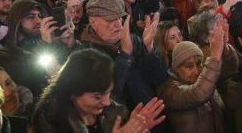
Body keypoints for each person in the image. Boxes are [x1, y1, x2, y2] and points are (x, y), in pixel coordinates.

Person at [31, 49, 165, 133]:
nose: (107, 102)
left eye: (109, 93)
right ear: (72, 91)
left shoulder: (111, 112)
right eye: (97, 97)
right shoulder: (50, 118)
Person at [80, 0, 167, 112]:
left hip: (152, 115)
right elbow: (105, 100)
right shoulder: (86, 56)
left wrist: (149, 48)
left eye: (119, 18)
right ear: (93, 22)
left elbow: (159, 77)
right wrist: (125, 56)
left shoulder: (134, 40)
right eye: (110, 19)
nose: (118, 25)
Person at [158, 22, 236, 133]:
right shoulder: (169, 89)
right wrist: (214, 57)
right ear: (177, 69)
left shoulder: (204, 74)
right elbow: (198, 93)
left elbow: (230, 69)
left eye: (199, 63)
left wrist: (224, 48)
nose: (196, 70)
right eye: (189, 66)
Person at [0, 0, 76, 96]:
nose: (38, 21)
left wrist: (71, 46)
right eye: (30, 17)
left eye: (40, 16)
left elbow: (72, 72)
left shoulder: (52, 43)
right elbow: (32, 81)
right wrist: (46, 45)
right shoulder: (2, 56)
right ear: (17, 21)